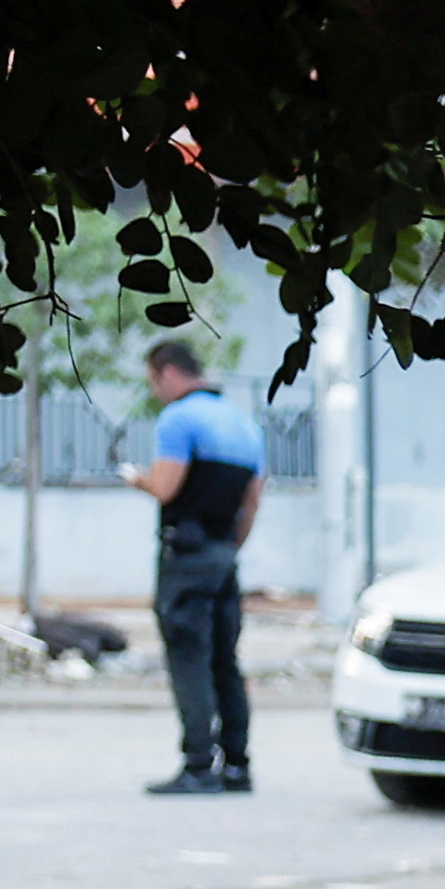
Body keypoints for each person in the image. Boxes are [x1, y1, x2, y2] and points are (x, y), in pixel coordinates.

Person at [122, 339, 265, 797]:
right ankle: (237, 765)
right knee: (226, 659)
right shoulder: (245, 425)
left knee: (189, 658)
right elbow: (252, 501)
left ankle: (198, 764)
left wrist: (137, 478)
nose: (155, 392)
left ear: (166, 372)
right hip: (224, 552)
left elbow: (166, 488)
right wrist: (229, 548)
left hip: (187, 555)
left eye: (153, 382)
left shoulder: (178, 419)